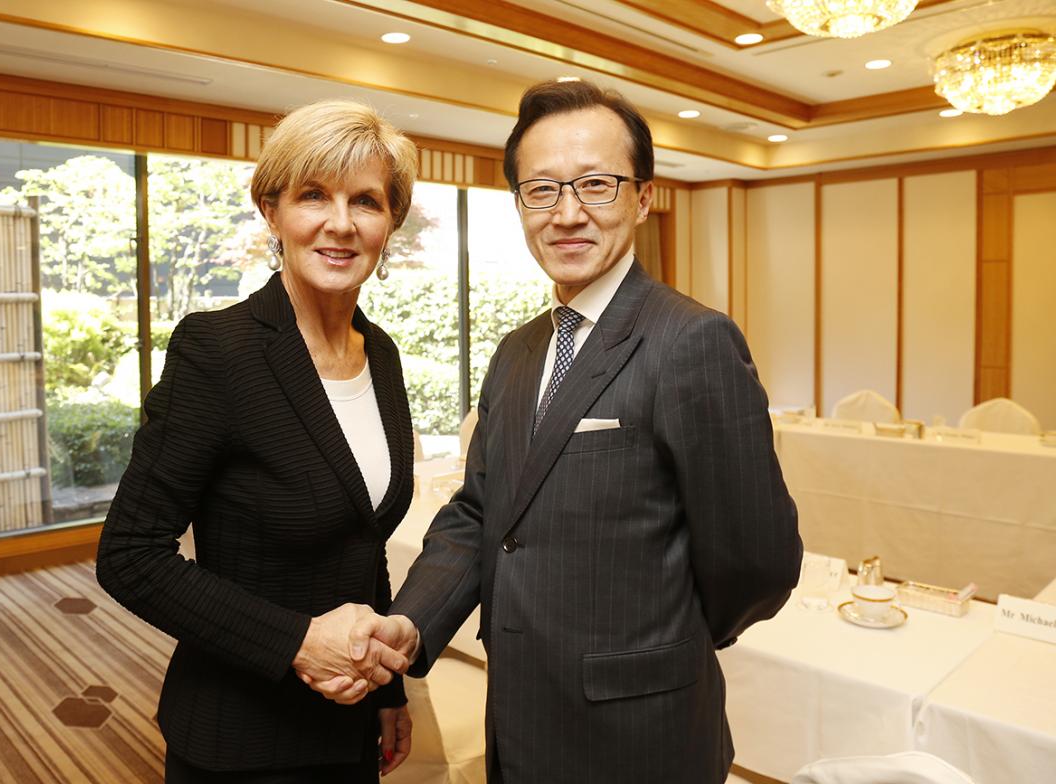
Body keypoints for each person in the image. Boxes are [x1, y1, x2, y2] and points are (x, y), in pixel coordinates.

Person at [338, 80, 803, 783]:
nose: (568, 214)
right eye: (543, 190)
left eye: (597, 184)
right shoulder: (519, 351)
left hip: (641, 732)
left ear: (644, 197)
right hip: (521, 713)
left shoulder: (691, 341)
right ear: (520, 203)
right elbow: (481, 512)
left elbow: (758, 559)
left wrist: (663, 644)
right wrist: (412, 622)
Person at [96, 99, 420, 782]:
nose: (340, 223)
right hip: (239, 742)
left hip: (348, 725)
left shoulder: (382, 355)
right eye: (312, 195)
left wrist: (389, 691)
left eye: (365, 201)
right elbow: (128, 555)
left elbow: (363, 545)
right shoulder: (218, 351)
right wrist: (299, 643)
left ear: (390, 220)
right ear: (271, 210)